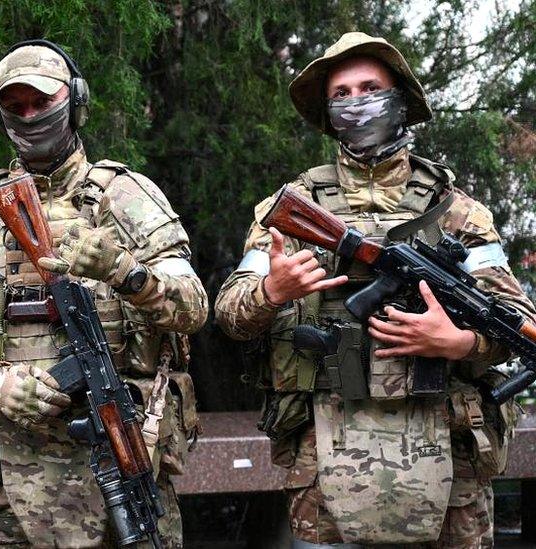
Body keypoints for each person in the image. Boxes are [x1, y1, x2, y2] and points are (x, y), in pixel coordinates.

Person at [215, 32, 536, 548]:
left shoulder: (459, 212)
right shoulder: (293, 208)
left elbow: (515, 320)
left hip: (447, 458)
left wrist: (460, 344)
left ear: (400, 100)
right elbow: (229, 315)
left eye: (370, 88)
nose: (355, 102)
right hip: (324, 454)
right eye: (341, 93)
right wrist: (271, 292)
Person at [0, 40, 207, 547]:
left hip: (120, 454)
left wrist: (124, 270)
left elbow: (194, 308)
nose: (29, 117)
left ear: (75, 100)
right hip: (11, 485)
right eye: (15, 107)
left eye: (42, 102)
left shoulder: (125, 195)